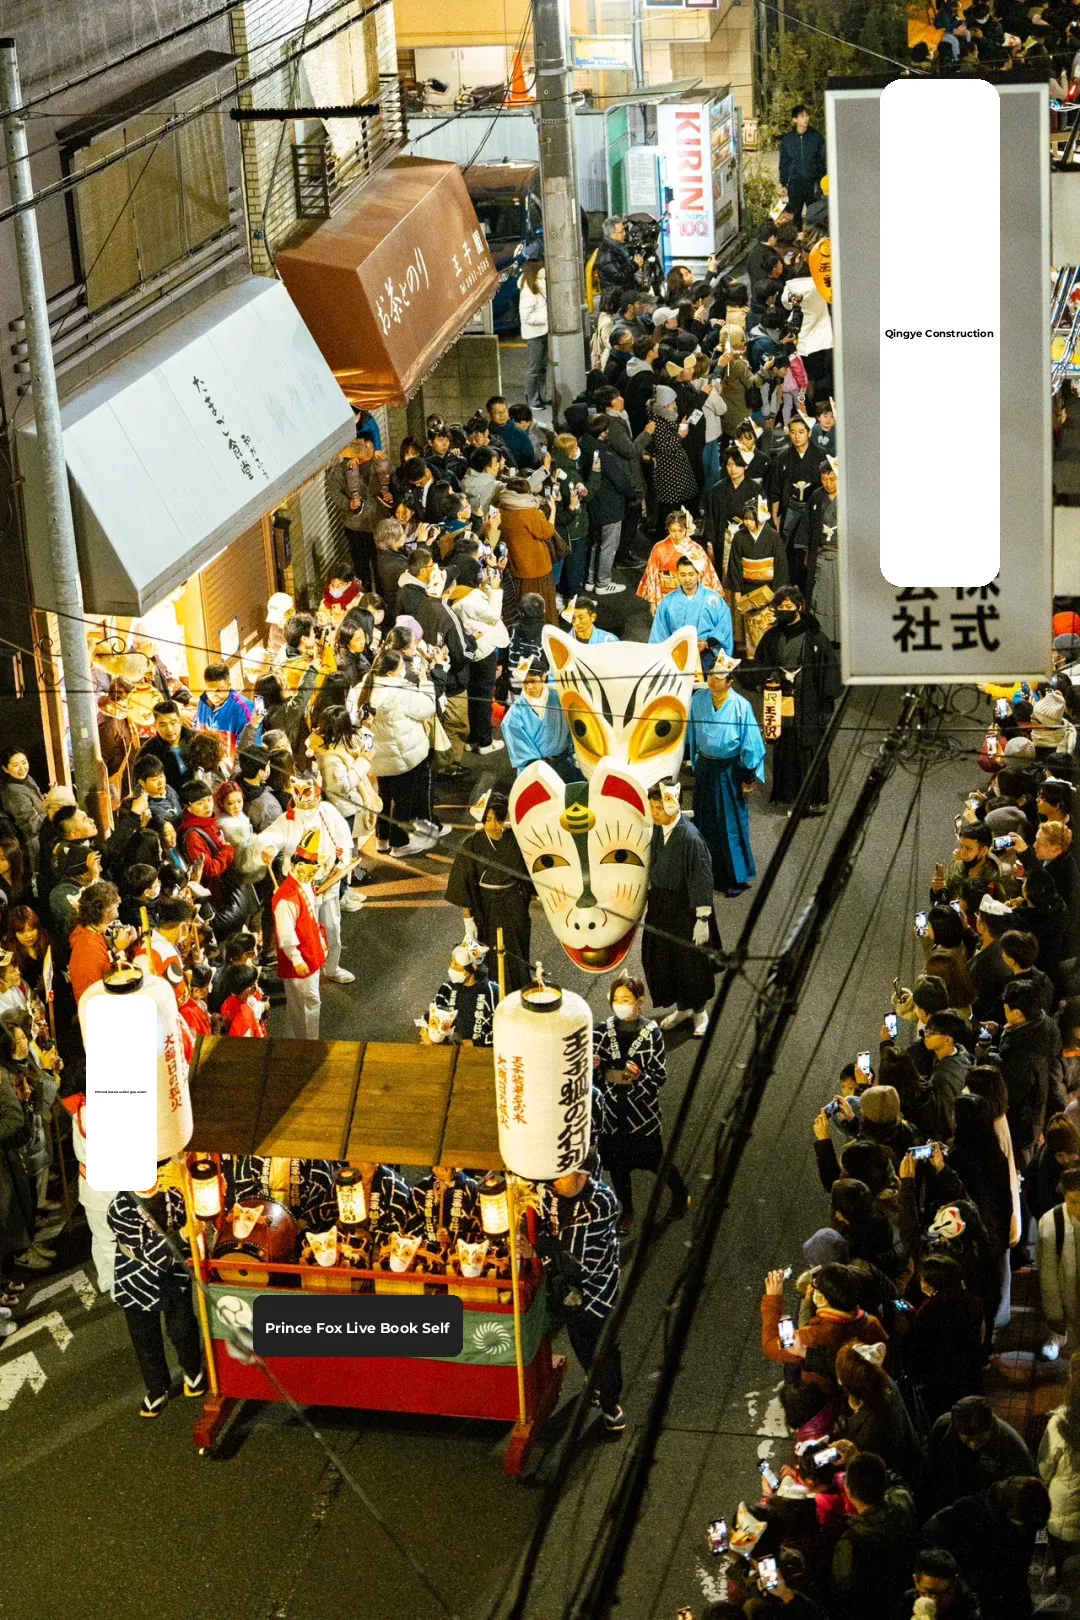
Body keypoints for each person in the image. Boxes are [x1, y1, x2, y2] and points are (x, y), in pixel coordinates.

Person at [592, 974, 689, 1230]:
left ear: (640, 1001)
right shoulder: (601, 1032)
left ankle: (681, 1195)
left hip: (641, 1114)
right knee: (617, 1167)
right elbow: (591, 1079)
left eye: (626, 999)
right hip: (611, 1114)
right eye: (616, 999)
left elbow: (659, 1077)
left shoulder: (651, 1033)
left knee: (656, 1161)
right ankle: (627, 1211)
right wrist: (594, 1067)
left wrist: (640, 1077)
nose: (620, 1004)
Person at [108, 1169, 205, 1416]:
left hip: (175, 1271)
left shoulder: (172, 1191)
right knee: (145, 1339)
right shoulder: (119, 1208)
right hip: (136, 1276)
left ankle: (193, 1371)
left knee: (183, 1327)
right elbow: (148, 1252)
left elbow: (188, 1219)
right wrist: (183, 1234)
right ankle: (156, 1388)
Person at [538, 1167, 625, 1432]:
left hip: (599, 1290)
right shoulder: (549, 1193)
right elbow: (544, 1230)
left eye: (563, 1175)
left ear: (582, 1176)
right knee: (580, 1341)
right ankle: (594, 1382)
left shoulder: (600, 1201)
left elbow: (577, 1260)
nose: (555, 1180)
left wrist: (540, 1248)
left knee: (605, 1348)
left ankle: (611, 1406)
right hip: (569, 1291)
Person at [751, 586, 843, 813]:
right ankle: (790, 797)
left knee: (809, 749)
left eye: (788, 606)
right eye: (780, 607)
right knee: (786, 747)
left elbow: (830, 674)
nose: (784, 610)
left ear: (799, 607)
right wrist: (769, 679)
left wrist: (825, 708)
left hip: (808, 700)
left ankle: (814, 800)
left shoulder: (816, 638)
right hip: (781, 698)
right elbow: (761, 664)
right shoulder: (772, 636)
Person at [641, 780, 718, 1038]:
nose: (655, 813)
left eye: (659, 808)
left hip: (685, 909)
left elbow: (701, 878)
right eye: (652, 807)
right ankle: (683, 1008)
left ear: (674, 805)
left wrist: (702, 919)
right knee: (665, 959)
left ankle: (700, 1012)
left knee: (690, 963)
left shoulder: (690, 838)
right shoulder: (658, 827)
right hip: (661, 904)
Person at [688, 655, 766, 895]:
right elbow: (692, 732)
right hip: (706, 767)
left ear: (730, 682)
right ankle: (706, 872)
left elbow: (751, 744)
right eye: (711, 674)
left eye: (719, 677)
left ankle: (734, 877)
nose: (712, 680)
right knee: (704, 821)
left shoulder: (741, 706)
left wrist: (748, 777)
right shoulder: (698, 699)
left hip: (729, 770)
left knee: (730, 823)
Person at [922, 1476, 1050, 1620]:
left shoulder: (1029, 1510)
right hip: (984, 1595)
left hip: (1013, 1590)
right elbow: (931, 1534)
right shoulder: (969, 1510)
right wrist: (963, 1572)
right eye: (1024, 1523)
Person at [446, 793, 534, 993]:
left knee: (517, 945)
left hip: (513, 901)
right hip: (486, 904)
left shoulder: (516, 839)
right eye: (488, 819)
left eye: (497, 819)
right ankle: (492, 993)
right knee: (490, 948)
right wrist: (468, 920)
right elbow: (462, 884)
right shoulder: (472, 843)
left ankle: (520, 987)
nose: (493, 824)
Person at [361, 651, 438, 858]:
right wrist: (425, 683)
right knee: (404, 800)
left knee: (384, 797)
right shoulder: (401, 691)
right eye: (402, 667)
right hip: (402, 756)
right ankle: (399, 844)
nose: (405, 670)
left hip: (378, 759)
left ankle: (382, 840)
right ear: (392, 672)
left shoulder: (365, 686)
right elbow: (428, 709)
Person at [830, 1451, 918, 1620]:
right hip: (905, 1600)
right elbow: (898, 1482)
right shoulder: (903, 1501)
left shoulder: (850, 1543)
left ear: (848, 1490)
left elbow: (844, 1597)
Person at [270, 828, 327, 1039]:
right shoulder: (286, 898)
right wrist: (295, 958)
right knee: (305, 1001)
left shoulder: (302, 884)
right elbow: (285, 932)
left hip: (310, 948)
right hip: (301, 956)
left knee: (307, 1001)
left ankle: (301, 1038)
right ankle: (306, 1041)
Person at [649, 555, 733, 672]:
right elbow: (659, 634)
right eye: (683, 575)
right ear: (677, 575)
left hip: (708, 653)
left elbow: (724, 627)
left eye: (691, 574)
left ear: (698, 575)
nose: (687, 579)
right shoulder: (667, 602)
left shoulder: (713, 599)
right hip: (676, 655)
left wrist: (706, 643)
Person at [329, 432, 391, 591]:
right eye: (364, 448)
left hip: (379, 523)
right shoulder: (342, 469)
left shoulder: (381, 464)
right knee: (361, 566)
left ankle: (383, 597)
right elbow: (334, 492)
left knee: (381, 566)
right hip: (355, 526)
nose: (368, 452)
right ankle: (365, 596)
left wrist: (391, 496)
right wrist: (348, 503)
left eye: (370, 448)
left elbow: (394, 483)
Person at [637, 509, 722, 613]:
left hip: (691, 596)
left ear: (686, 529)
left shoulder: (695, 549)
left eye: (680, 531)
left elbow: (707, 576)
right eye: (673, 530)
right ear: (668, 529)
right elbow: (652, 576)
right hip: (666, 595)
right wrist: (652, 602)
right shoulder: (659, 548)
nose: (677, 534)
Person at [499, 478, 559, 623]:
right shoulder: (529, 512)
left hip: (515, 564)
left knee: (521, 605)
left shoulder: (501, 508)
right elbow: (548, 531)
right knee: (540, 607)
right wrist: (553, 510)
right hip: (536, 567)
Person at [68, 880, 134, 1004]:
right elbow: (111, 984)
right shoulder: (89, 950)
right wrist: (120, 950)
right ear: (104, 912)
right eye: (114, 901)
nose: (119, 901)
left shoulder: (91, 931)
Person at [431, 942, 498, 1047]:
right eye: (451, 962)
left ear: (473, 967)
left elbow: (504, 1030)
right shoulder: (447, 988)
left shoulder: (493, 991)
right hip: (447, 1050)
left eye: (456, 964)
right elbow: (433, 1018)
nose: (451, 967)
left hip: (480, 1052)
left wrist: (475, 1043)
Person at [894, 1549, 982, 1620]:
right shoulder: (907, 1601)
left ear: (954, 1584)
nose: (935, 1601)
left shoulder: (969, 1607)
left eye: (944, 1593)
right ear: (916, 1581)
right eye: (928, 1592)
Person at [779, 106, 827, 226]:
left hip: (813, 184)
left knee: (815, 216)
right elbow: (784, 164)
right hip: (795, 184)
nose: (806, 119)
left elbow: (823, 160)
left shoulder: (816, 137)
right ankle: (797, 236)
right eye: (802, 116)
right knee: (795, 217)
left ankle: (814, 236)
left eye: (807, 116)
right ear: (795, 119)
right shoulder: (788, 140)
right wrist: (784, 184)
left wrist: (820, 181)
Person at [0, 748, 44, 877]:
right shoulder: (12, 791)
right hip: (34, 844)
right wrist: (54, 814)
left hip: (42, 836)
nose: (22, 768)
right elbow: (31, 825)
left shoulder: (27, 779)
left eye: (24, 762)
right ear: (5, 769)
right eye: (16, 765)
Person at [519, 256, 549, 409]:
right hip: (535, 334)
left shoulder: (540, 285)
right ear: (535, 271)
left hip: (543, 331)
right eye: (541, 268)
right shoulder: (528, 291)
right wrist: (546, 318)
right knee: (534, 368)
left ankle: (542, 395)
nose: (544, 270)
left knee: (542, 366)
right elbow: (526, 316)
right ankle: (532, 400)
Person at [196, 664, 253, 744]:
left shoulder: (244, 709)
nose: (214, 695)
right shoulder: (203, 701)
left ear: (229, 686)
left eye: (219, 690)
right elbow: (197, 730)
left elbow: (249, 746)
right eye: (210, 690)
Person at [594, 216, 641, 293]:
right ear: (612, 234)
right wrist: (635, 265)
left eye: (624, 230)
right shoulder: (607, 253)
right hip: (616, 296)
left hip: (626, 291)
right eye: (621, 231)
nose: (625, 233)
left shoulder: (617, 246)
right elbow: (619, 277)